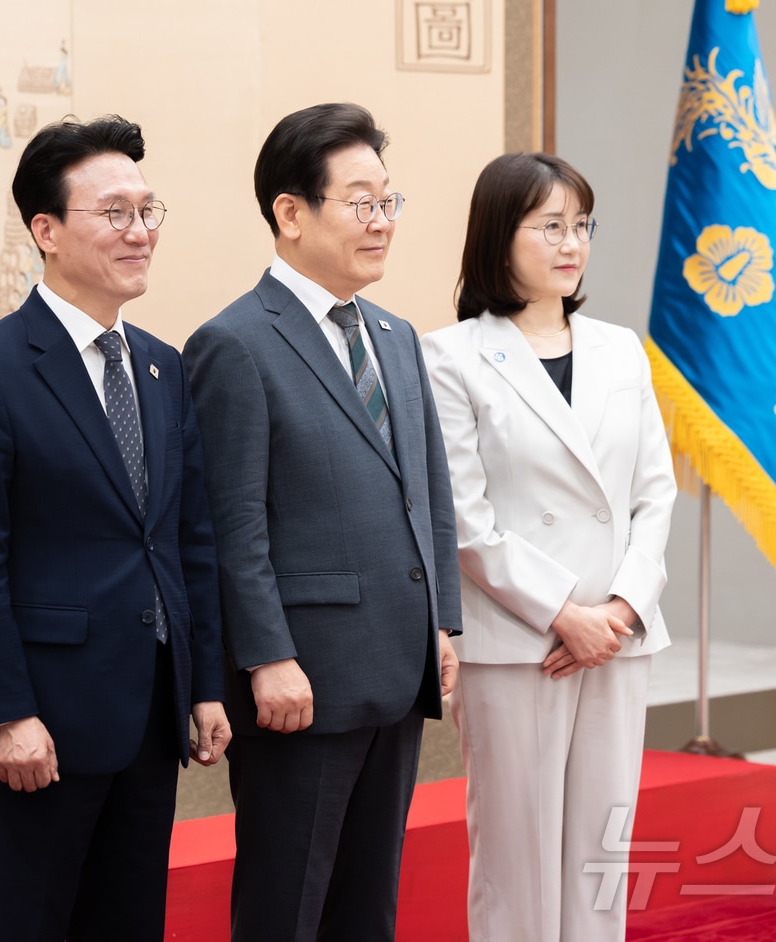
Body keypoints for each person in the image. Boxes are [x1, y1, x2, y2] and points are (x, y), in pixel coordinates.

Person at [0, 114, 229, 942]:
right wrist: (6, 714)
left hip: (148, 712)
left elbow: (186, 538)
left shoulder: (162, 366)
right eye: (115, 214)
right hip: (43, 724)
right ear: (46, 231)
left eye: (147, 210)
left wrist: (202, 684)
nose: (140, 233)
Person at [181, 102, 461, 942]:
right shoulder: (234, 343)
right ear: (291, 212)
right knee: (287, 904)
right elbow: (232, 522)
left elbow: (431, 496)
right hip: (301, 682)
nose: (381, 223)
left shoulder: (397, 335)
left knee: (368, 906)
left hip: (398, 666)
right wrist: (267, 656)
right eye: (360, 202)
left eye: (389, 202)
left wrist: (441, 621)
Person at [419, 153, 677, 942]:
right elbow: (466, 517)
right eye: (550, 227)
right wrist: (566, 613)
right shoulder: (450, 354)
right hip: (518, 642)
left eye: (581, 226)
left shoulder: (620, 348)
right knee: (516, 857)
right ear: (501, 240)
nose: (572, 244)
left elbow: (654, 494)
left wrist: (619, 612)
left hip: (615, 642)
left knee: (603, 851)